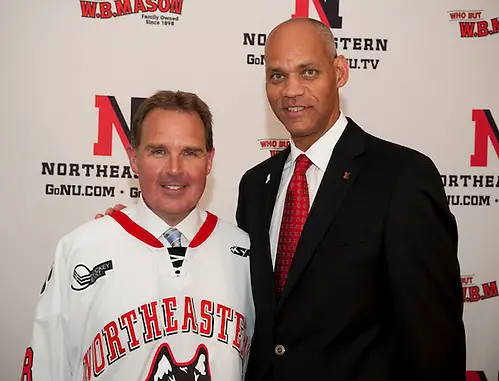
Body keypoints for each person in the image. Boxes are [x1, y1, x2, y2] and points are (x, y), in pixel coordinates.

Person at [97, 17, 466, 381]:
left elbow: (433, 342)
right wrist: (133, 234)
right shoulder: (257, 185)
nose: (291, 90)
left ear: (339, 71)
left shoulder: (401, 177)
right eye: (277, 76)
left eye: (308, 72)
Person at [21, 90, 254, 381]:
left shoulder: (244, 253)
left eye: (190, 152)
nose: (174, 169)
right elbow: (46, 368)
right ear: (134, 159)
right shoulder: (81, 251)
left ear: (209, 161)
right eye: (158, 151)